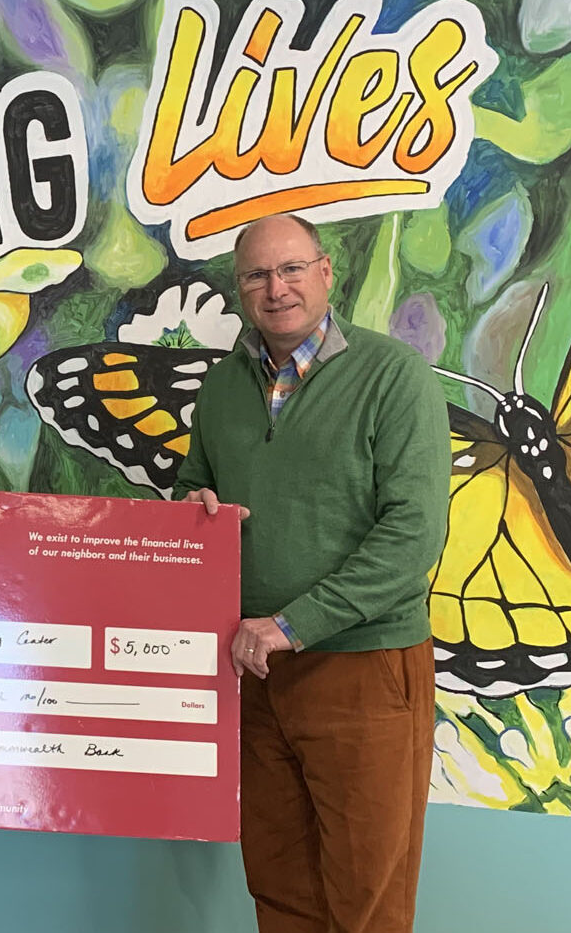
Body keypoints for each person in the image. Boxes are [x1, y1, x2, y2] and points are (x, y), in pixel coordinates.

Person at [172, 213, 449, 933]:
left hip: (363, 666)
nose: (277, 288)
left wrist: (292, 625)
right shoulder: (221, 387)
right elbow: (193, 489)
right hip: (255, 670)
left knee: (367, 898)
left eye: (292, 268)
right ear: (238, 288)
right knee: (279, 885)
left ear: (326, 272)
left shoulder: (393, 376)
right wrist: (193, 510)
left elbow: (413, 536)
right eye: (257, 275)